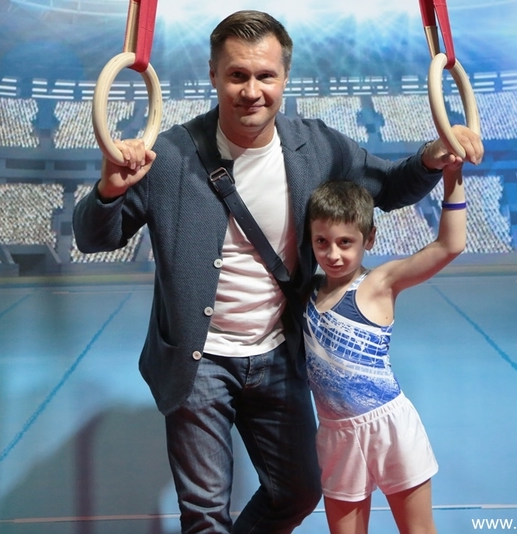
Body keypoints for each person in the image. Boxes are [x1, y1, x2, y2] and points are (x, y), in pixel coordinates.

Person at [73, 9, 483, 534]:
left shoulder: (318, 146)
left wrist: (432, 155)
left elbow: (390, 185)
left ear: (285, 77)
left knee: (298, 492)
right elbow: (95, 237)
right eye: (237, 75)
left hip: (277, 356)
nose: (252, 91)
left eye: (265, 75)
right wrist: (109, 190)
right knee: (205, 516)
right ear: (213, 75)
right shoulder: (170, 155)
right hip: (199, 361)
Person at [303, 168, 466, 534]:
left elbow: (449, 246)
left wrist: (453, 176)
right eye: (322, 242)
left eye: (346, 242)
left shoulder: (379, 283)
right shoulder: (306, 293)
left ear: (370, 238)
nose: (333, 254)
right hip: (335, 434)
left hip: (389, 427)